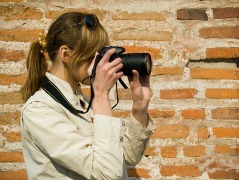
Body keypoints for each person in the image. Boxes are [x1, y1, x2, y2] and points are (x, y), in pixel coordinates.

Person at [20, 12, 155, 180]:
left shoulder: (82, 103)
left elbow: (127, 158)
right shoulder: (40, 111)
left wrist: (139, 109)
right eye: (94, 56)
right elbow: (108, 174)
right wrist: (100, 95)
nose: (99, 64)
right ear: (66, 55)